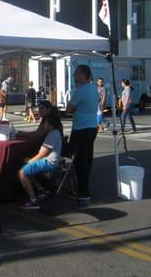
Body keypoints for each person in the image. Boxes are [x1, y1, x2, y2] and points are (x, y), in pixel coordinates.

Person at [18, 105, 63, 210]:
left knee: (22, 172)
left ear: (50, 125)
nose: (44, 125)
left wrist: (31, 161)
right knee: (25, 163)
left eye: (45, 124)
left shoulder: (53, 135)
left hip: (49, 162)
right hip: (48, 160)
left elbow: (43, 154)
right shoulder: (53, 133)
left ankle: (33, 201)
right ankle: (40, 188)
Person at [66, 65, 98, 202]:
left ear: (83, 75)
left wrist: (75, 108)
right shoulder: (93, 88)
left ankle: (83, 192)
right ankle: (84, 189)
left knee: (79, 161)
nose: (74, 76)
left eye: (76, 74)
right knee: (87, 159)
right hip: (92, 127)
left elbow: (68, 110)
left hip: (80, 128)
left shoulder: (80, 91)